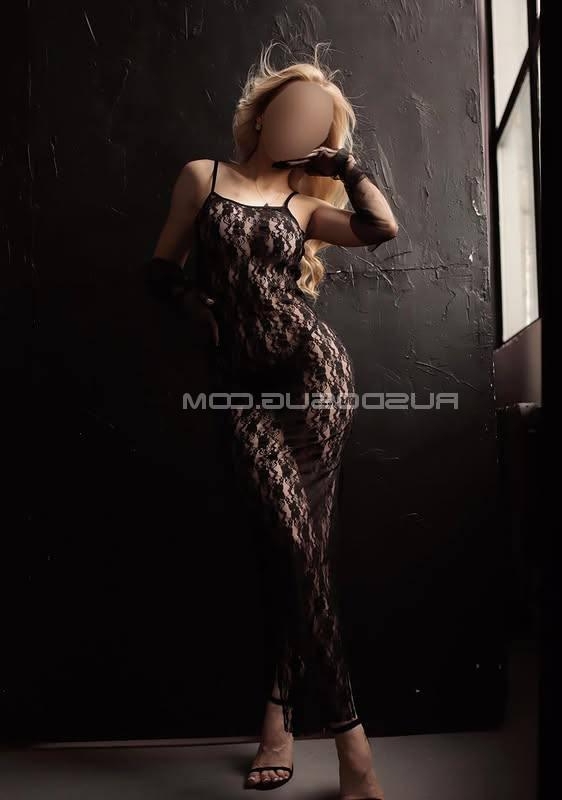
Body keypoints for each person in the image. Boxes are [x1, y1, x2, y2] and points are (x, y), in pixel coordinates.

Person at [144, 41, 398, 799]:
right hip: (240, 389)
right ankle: (324, 734)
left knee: (300, 550)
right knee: (296, 547)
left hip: (315, 376)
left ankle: (312, 738)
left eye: (317, 124)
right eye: (292, 111)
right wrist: (192, 304)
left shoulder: (305, 206)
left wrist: (344, 166)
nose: (298, 127)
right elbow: (158, 270)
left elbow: (381, 228)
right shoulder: (202, 177)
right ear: (263, 115)